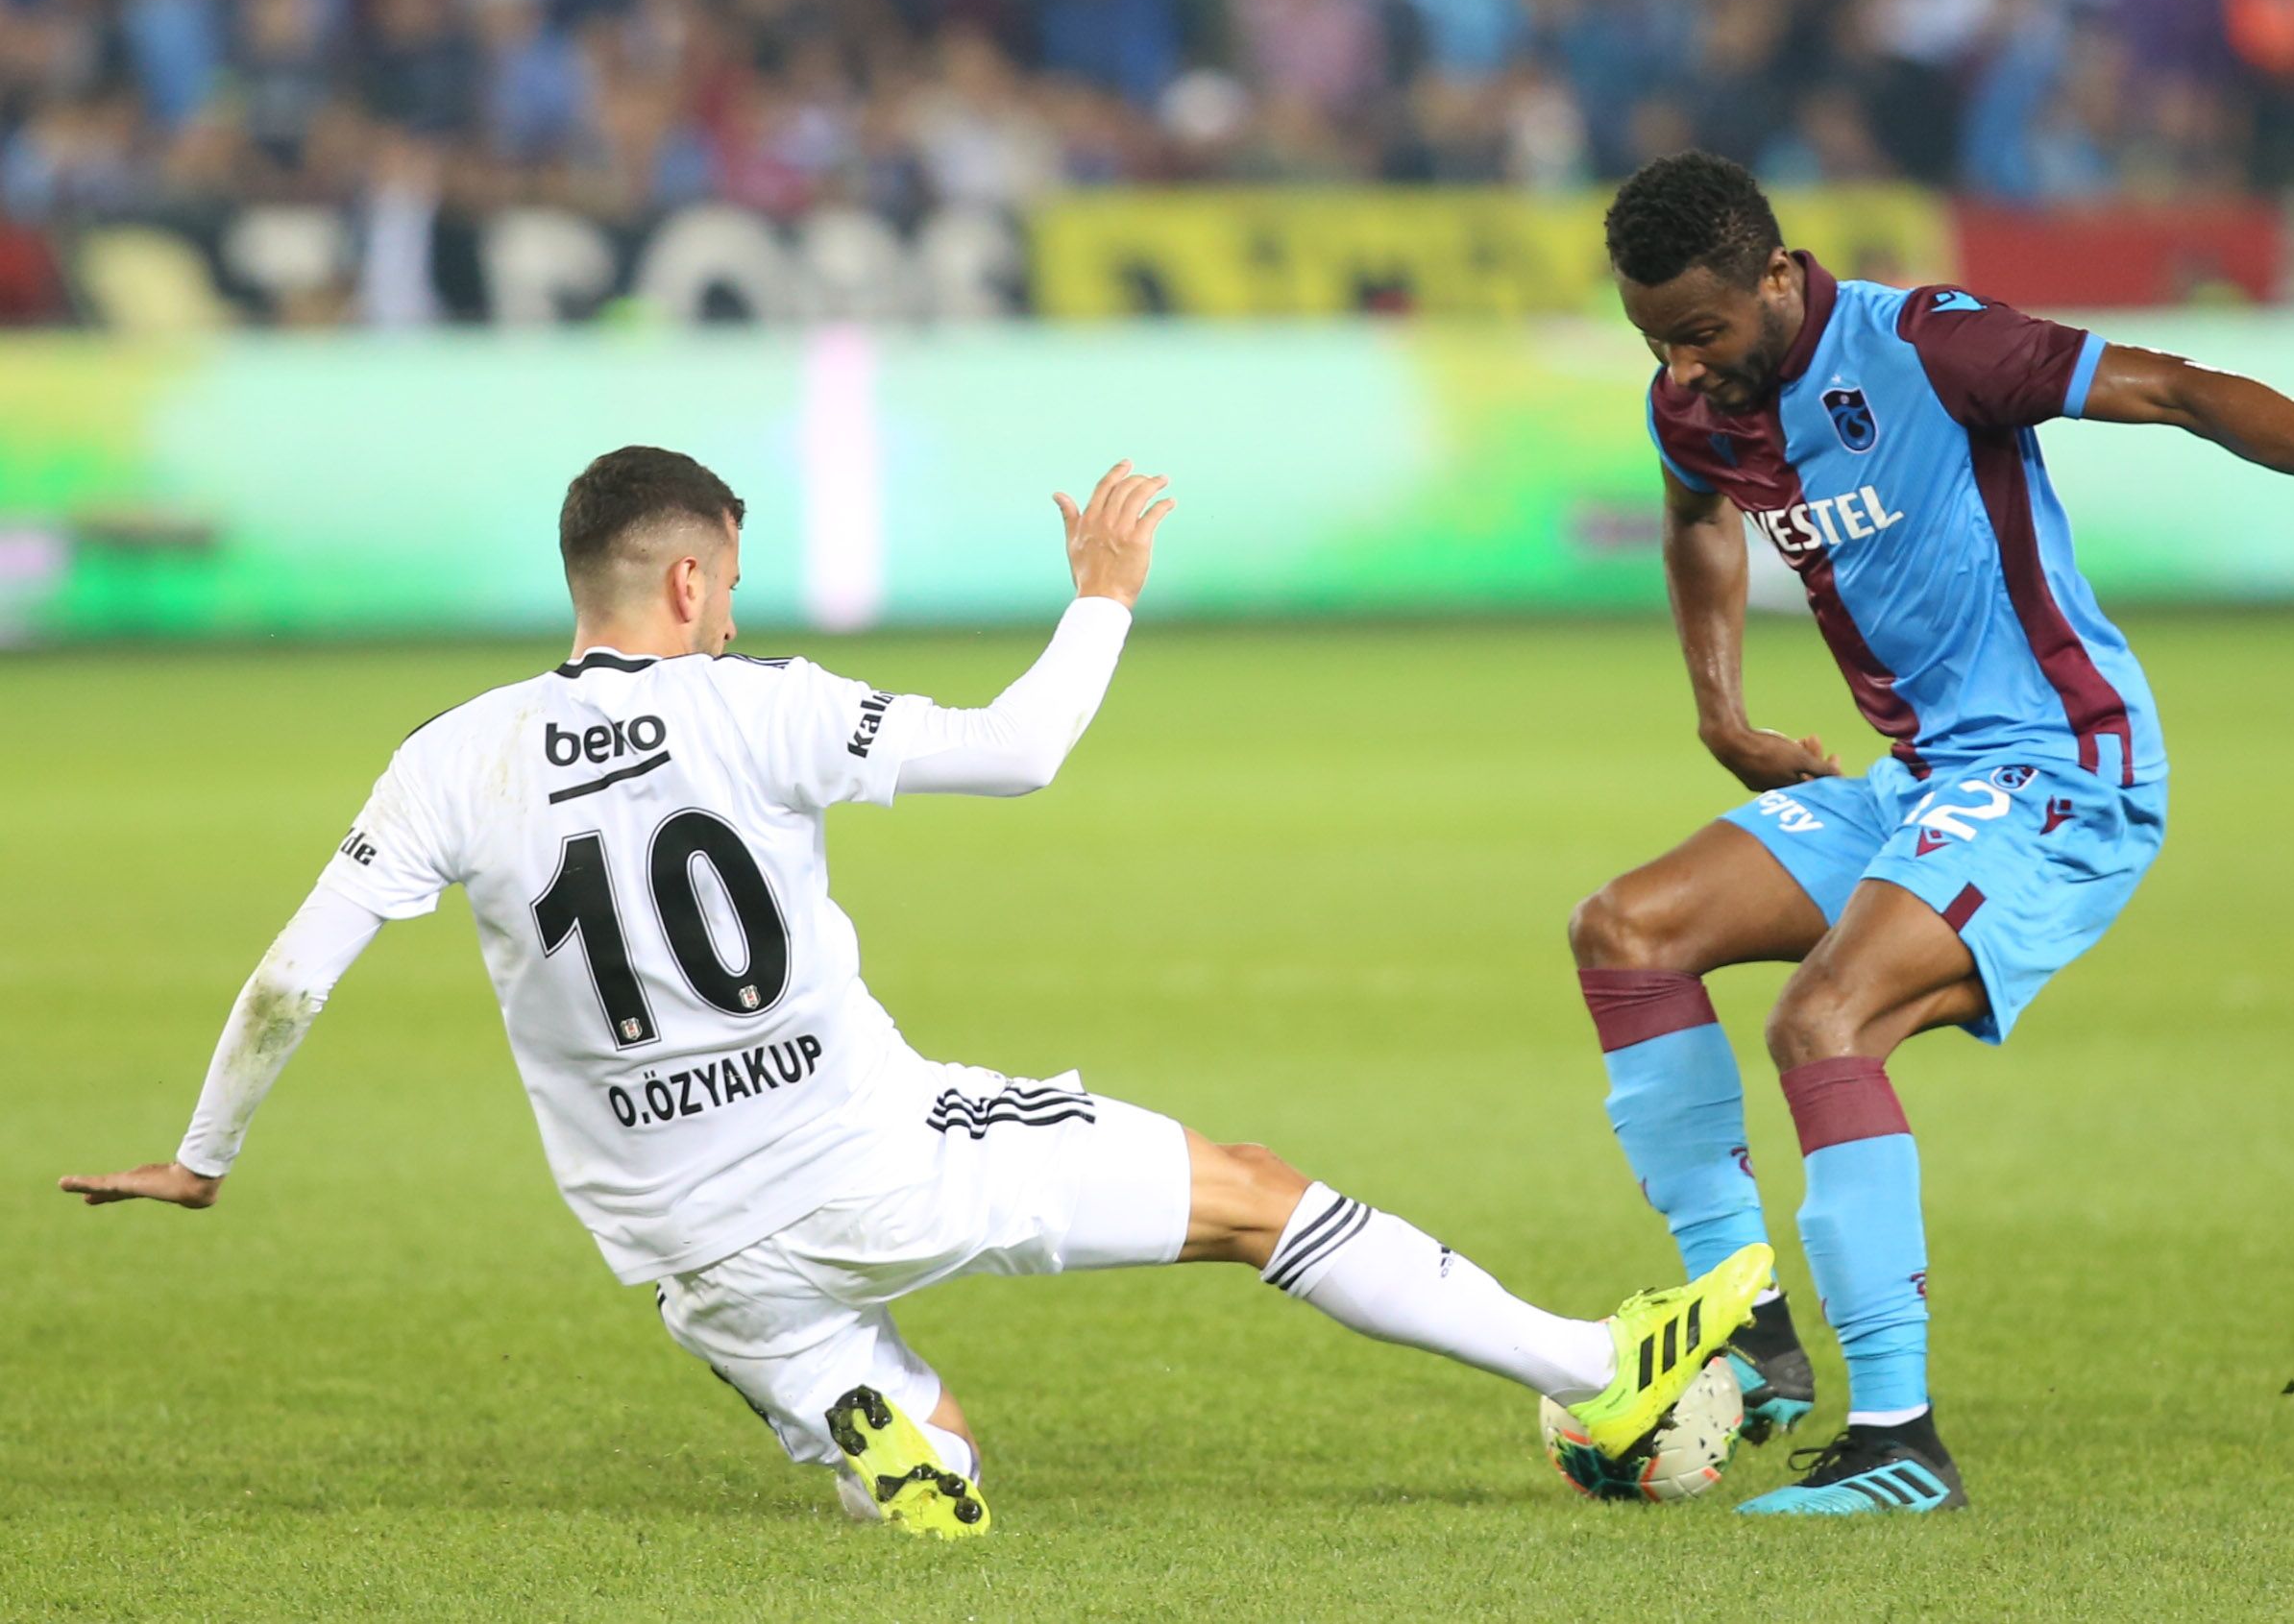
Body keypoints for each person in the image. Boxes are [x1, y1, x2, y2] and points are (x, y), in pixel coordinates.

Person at [61, 446, 1768, 1536]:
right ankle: (1589, 1365)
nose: (729, 603)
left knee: (930, 1441)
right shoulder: (760, 703)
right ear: (683, 580)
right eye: (722, 575)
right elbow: (1020, 751)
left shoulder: (448, 755)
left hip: (673, 1242)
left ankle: (878, 1430)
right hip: (873, 1149)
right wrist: (1099, 602)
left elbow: (294, 975)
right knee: (1250, 1197)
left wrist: (204, 1153)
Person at [1569, 152, 2294, 1516]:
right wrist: (1721, 710)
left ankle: (1898, 1436)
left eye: (1701, 331)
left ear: (1777, 278)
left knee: (1821, 1020)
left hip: (2062, 767)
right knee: (1625, 929)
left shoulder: (1928, 345)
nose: (1682, 365)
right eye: (1653, 336)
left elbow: (2181, 389)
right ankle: (1749, 1325)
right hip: (1926, 778)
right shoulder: (1696, 400)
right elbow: (1693, 518)